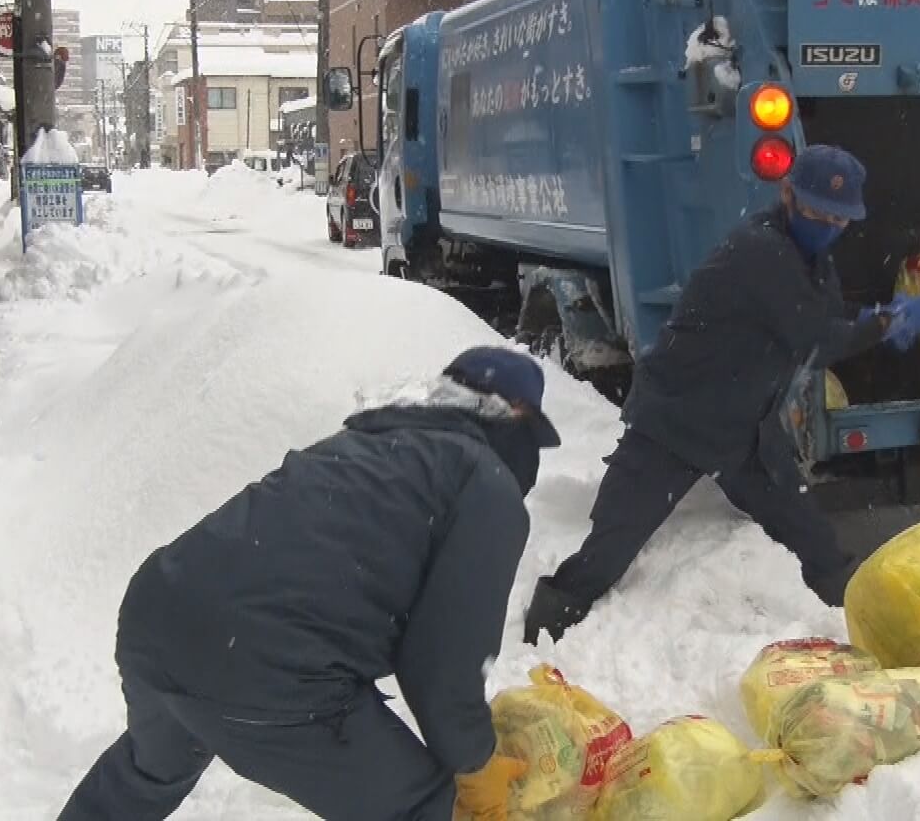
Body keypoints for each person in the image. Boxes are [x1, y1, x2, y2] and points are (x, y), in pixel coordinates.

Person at [59, 347, 561, 821]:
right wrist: (476, 762)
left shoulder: (368, 442)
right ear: (514, 414)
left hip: (159, 614)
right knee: (422, 806)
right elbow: (442, 669)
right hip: (262, 660)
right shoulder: (486, 484)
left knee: (150, 770)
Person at [524, 145, 920, 644]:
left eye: (840, 219)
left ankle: (858, 620)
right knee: (607, 550)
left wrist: (871, 321)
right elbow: (815, 340)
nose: (828, 225)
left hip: (746, 429)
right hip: (677, 420)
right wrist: (881, 326)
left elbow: (823, 316)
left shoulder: (811, 258)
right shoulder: (761, 252)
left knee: (813, 538)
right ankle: (539, 640)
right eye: (818, 213)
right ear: (787, 195)